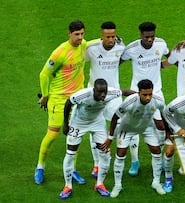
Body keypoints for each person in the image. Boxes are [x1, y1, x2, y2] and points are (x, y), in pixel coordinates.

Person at [34, 20, 87, 185]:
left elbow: (93, 44)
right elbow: (44, 74)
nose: (80, 38)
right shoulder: (60, 52)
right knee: (52, 134)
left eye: (82, 34)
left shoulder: (84, 44)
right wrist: (45, 95)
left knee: (74, 136)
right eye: (76, 34)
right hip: (58, 100)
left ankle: (72, 170)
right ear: (69, 33)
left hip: (77, 100)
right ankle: (40, 167)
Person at [59, 79, 130, 199]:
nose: (103, 95)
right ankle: (68, 186)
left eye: (105, 92)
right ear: (94, 90)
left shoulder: (111, 93)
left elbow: (125, 91)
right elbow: (68, 103)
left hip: (97, 123)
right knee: (70, 154)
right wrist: (65, 123)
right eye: (100, 92)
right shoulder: (83, 95)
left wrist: (140, 96)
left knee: (105, 154)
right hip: (78, 123)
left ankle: (99, 184)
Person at [120, 22, 170, 176]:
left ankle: (160, 159)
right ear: (140, 35)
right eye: (147, 37)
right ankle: (135, 162)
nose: (150, 39)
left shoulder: (161, 44)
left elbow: (172, 58)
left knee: (161, 125)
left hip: (157, 92)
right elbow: (117, 62)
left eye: (152, 36)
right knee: (133, 127)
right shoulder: (132, 49)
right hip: (136, 94)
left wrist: (159, 66)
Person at [103, 79, 167, 197]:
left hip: (147, 127)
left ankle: (156, 182)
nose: (148, 98)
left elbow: (165, 114)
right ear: (138, 93)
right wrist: (110, 137)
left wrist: (168, 132)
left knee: (157, 151)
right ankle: (118, 185)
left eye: (150, 94)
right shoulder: (129, 102)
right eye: (145, 95)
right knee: (120, 154)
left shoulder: (158, 100)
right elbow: (115, 118)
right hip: (127, 128)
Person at [86, 21, 127, 178]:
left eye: (113, 36)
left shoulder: (120, 47)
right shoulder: (91, 49)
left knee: (122, 124)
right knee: (94, 129)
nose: (111, 39)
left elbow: (121, 60)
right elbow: (77, 59)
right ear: (101, 36)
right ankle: (97, 164)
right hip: (94, 95)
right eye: (108, 37)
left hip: (114, 94)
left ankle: (113, 149)